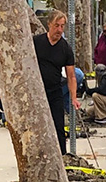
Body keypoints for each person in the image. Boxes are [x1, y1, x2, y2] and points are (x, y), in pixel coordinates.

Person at [33, 11, 80, 154]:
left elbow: (71, 76)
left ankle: (62, 156)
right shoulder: (36, 42)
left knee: (59, 125)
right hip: (37, 92)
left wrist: (74, 97)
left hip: (55, 91)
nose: (59, 30)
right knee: (38, 127)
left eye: (62, 26)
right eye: (56, 26)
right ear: (49, 25)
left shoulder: (65, 48)